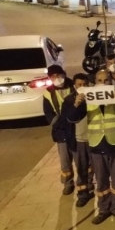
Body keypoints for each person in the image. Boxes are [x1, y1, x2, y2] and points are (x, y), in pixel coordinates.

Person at [66, 70, 115, 224]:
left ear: (112, 81)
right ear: (94, 82)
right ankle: (103, 209)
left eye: (106, 80)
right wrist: (76, 104)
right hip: (96, 144)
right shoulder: (89, 97)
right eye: (100, 80)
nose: (103, 83)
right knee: (101, 181)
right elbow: (72, 118)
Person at [43, 65, 77, 196]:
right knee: (65, 160)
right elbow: (48, 113)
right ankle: (68, 183)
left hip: (76, 128)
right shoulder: (48, 93)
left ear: (64, 74)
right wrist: (60, 121)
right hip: (61, 131)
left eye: (60, 75)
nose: (58, 78)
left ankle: (86, 183)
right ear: (50, 78)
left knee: (82, 159)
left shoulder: (74, 86)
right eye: (54, 76)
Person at [62, 73, 94, 207]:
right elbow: (69, 118)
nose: (82, 87)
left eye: (85, 84)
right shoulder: (69, 100)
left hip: (95, 139)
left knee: (95, 168)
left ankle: (93, 186)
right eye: (79, 85)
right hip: (78, 140)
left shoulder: (95, 97)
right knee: (81, 168)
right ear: (74, 85)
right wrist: (76, 104)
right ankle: (82, 193)